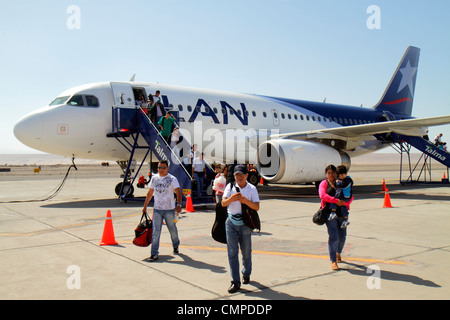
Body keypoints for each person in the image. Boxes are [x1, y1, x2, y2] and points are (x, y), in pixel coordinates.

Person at [221, 164, 260, 293]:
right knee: (232, 253)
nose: (239, 177)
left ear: (246, 175)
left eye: (242, 175)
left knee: (246, 252)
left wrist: (245, 201)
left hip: (245, 224)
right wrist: (231, 199)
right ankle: (235, 281)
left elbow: (256, 207)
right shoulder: (230, 186)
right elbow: (223, 203)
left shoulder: (251, 188)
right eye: (237, 175)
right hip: (231, 222)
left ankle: (246, 272)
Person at [142, 160, 182, 262]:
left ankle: (176, 244)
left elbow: (178, 193)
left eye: (163, 167)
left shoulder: (172, 179)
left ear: (167, 168)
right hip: (157, 210)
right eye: (159, 167)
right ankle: (154, 253)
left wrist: (179, 204)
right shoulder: (154, 178)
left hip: (169, 210)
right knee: (156, 231)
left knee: (172, 229)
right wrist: (145, 205)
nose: (160, 170)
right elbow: (150, 193)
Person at [318, 165, 353, 271]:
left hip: (342, 214)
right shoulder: (324, 183)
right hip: (330, 214)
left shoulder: (342, 182)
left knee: (342, 237)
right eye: (328, 173)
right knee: (334, 237)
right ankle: (333, 260)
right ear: (326, 174)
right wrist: (335, 201)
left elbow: (351, 196)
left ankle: (338, 253)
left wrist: (346, 202)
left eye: (332, 173)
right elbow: (322, 195)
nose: (331, 175)